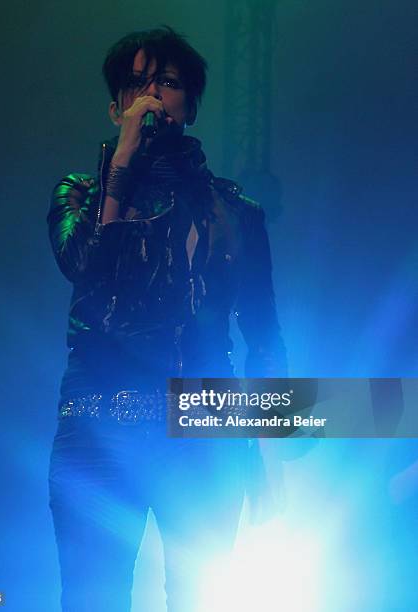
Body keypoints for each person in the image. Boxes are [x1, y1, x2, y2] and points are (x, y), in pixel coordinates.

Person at [47, 26, 286, 612]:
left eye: (170, 83)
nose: (153, 94)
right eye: (137, 83)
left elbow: (264, 336)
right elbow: (83, 267)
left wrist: (269, 449)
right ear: (116, 107)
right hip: (100, 422)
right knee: (93, 597)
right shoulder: (78, 195)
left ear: (192, 106)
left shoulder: (235, 212)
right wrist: (123, 163)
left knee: (199, 596)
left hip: (205, 425)